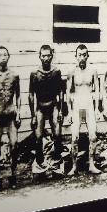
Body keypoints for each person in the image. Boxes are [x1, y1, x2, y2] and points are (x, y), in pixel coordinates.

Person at [0, 46, 21, 191]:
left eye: (5, 55)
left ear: (8, 57)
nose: (2, 57)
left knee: (14, 144)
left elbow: (18, 96)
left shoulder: (14, 75)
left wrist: (19, 113)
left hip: (11, 115)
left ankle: (13, 176)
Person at [28, 44, 64, 179]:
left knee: (57, 134)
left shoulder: (56, 72)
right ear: (39, 57)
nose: (46, 58)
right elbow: (31, 94)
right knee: (38, 137)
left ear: (52, 56)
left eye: (48, 55)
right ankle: (40, 166)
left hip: (53, 105)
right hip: (40, 107)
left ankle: (56, 165)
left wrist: (60, 110)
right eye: (43, 56)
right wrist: (33, 115)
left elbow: (60, 92)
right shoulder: (35, 74)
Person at [67, 44, 100, 175]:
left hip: (89, 105)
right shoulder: (72, 72)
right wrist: (69, 112)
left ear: (87, 56)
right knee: (74, 137)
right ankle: (74, 166)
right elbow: (68, 93)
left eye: (84, 55)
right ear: (76, 56)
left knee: (93, 136)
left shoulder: (93, 71)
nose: (82, 57)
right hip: (77, 106)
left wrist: (97, 109)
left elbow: (97, 91)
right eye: (79, 55)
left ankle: (91, 164)